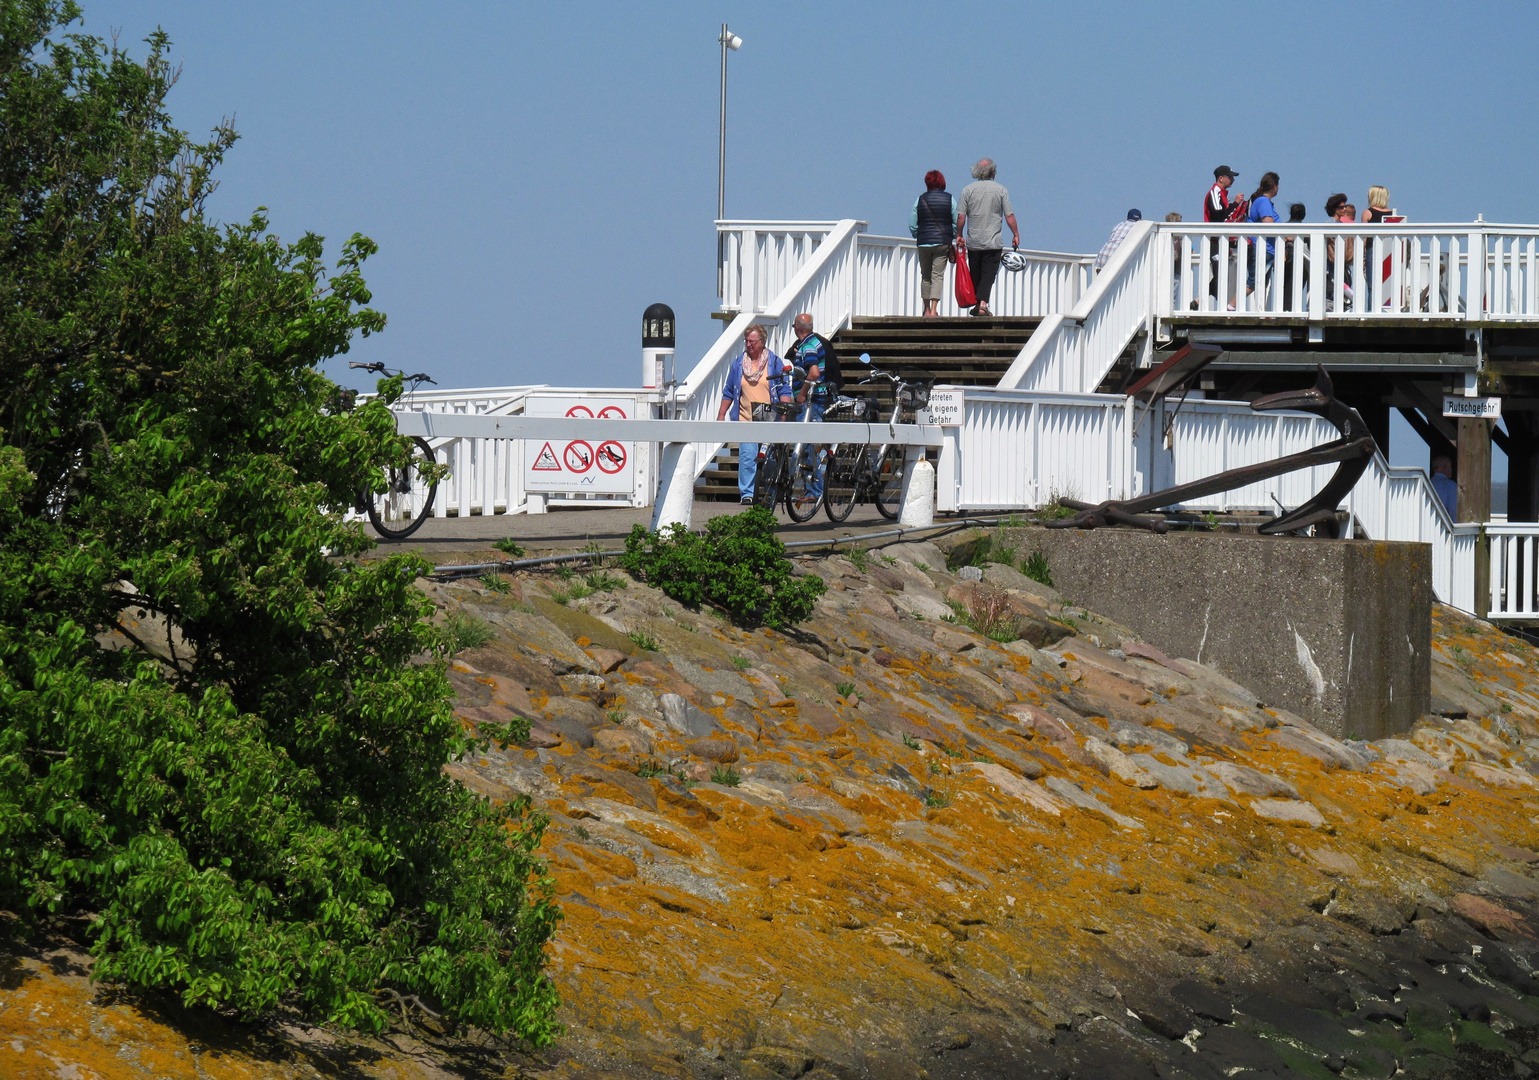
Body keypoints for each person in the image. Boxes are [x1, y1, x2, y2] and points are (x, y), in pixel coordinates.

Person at [716, 323, 793, 504]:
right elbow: (728, 391)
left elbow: (784, 390)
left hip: (769, 418)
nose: (748, 345)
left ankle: (772, 492)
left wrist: (783, 413)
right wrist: (721, 414)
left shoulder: (774, 362)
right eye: (747, 341)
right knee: (747, 457)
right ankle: (747, 494)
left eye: (752, 341)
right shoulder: (738, 364)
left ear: (762, 341)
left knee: (770, 458)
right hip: (746, 418)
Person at [784, 312, 838, 507]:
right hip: (816, 399)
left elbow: (814, 373)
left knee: (807, 446)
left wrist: (802, 393)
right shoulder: (815, 341)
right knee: (809, 445)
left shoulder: (807, 346)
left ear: (797, 328)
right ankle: (813, 488)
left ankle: (814, 490)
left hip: (812, 401)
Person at [956, 158, 1020, 317]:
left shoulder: (967, 190)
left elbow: (961, 216)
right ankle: (983, 304)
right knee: (988, 275)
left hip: (974, 240)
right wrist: (1016, 234)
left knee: (976, 274)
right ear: (993, 172)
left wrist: (959, 235)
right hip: (993, 241)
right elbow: (1009, 215)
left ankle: (979, 305)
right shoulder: (1001, 190)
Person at [910, 170, 958, 317]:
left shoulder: (920, 199)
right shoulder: (950, 199)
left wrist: (919, 235)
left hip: (924, 242)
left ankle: (925, 309)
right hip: (942, 242)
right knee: (937, 275)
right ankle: (934, 309)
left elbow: (913, 223)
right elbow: (956, 221)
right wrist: (953, 235)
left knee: (925, 275)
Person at [1202, 166, 1244, 307]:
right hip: (1215, 241)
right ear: (1221, 178)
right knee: (1219, 275)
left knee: (1221, 275)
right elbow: (1219, 216)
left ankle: (1201, 302)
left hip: (1221, 241)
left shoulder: (1222, 194)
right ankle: (1201, 302)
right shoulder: (1215, 192)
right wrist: (1235, 204)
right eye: (1230, 176)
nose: (1232, 179)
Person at [1246, 172, 1281, 297]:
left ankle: (1262, 313)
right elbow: (1268, 225)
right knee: (1253, 283)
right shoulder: (1264, 202)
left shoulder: (1262, 201)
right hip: (1263, 248)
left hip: (1266, 249)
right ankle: (1231, 306)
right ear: (1274, 187)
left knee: (1261, 284)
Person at [1094, 209, 1142, 273]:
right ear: (1140, 220)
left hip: (1103, 255)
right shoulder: (1137, 227)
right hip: (1114, 256)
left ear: (1127, 218)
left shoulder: (1119, 225)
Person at [1281, 202, 1308, 311]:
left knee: (1285, 285)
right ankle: (1291, 310)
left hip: (1284, 256)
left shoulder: (1284, 226)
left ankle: (1285, 309)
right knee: (1296, 286)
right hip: (1298, 257)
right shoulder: (1305, 229)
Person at [1431, 455, 1458, 520]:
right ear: (1445, 467)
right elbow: (1454, 509)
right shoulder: (1450, 485)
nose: (1451, 469)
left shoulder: (1427, 484)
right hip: (1445, 528)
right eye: (1450, 466)